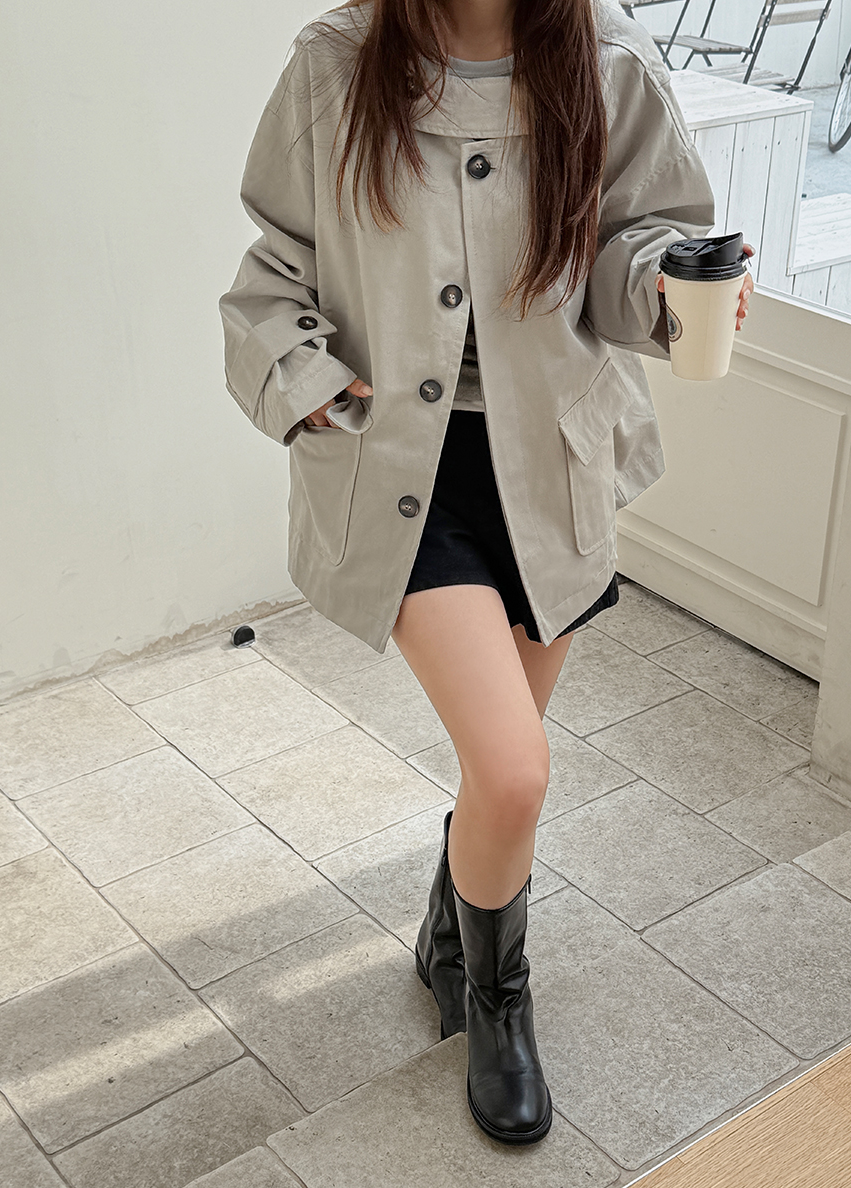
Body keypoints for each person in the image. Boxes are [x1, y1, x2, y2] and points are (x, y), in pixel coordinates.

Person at [219, 0, 754, 1147]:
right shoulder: (339, 62)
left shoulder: (606, 57)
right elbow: (273, 269)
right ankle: (500, 1005)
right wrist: (305, 377)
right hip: (403, 469)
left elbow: (634, 241)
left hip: (550, 466)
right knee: (513, 770)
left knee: (493, 768)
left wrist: (671, 284)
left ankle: (449, 935)